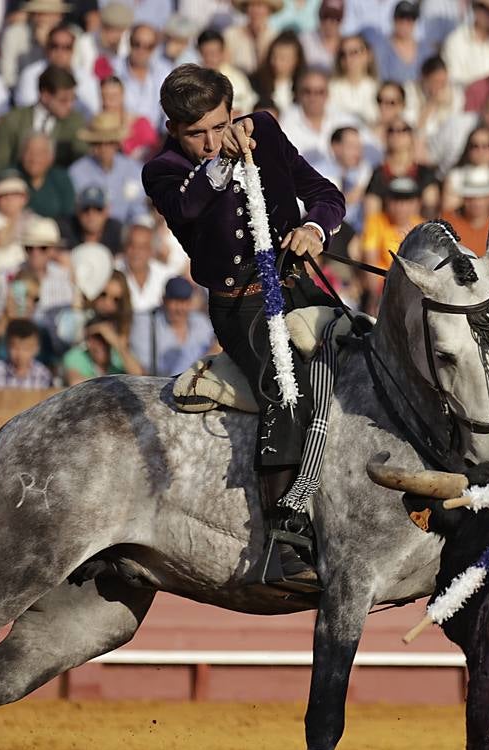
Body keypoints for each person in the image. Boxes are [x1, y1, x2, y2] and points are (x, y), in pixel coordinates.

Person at [142, 63, 344, 587]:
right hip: (241, 307)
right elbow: (188, 206)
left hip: (300, 284)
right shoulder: (162, 171)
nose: (210, 141)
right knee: (286, 386)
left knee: (368, 361)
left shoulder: (266, 131)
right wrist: (220, 163)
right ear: (173, 131)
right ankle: (284, 538)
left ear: (232, 111)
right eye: (195, 134)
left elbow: (327, 194)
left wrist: (314, 227)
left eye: (217, 124)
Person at [131, 275, 215, 375]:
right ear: (163, 300)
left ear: (190, 302)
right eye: (175, 302)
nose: (180, 308)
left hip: (196, 384)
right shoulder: (145, 323)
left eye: (184, 302)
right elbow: (146, 369)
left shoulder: (202, 323)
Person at [439, 166, 489, 259]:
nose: (476, 203)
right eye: (471, 197)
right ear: (464, 198)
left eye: (481, 197)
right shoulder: (448, 222)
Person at [0, 316, 55, 389]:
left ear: (36, 348)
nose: (20, 354)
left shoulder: (43, 375)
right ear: (7, 345)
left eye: (26, 348)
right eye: (15, 347)